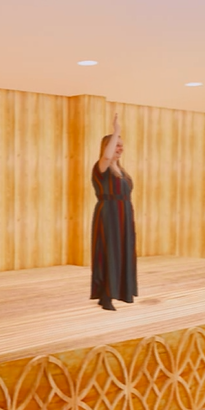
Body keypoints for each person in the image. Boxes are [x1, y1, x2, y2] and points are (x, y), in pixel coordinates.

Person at [91, 112, 137, 311]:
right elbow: (107, 156)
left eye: (121, 145)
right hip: (108, 214)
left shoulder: (122, 171)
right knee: (108, 251)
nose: (120, 148)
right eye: (116, 145)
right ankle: (106, 294)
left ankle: (119, 291)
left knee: (123, 251)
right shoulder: (101, 167)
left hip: (124, 214)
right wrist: (116, 130)